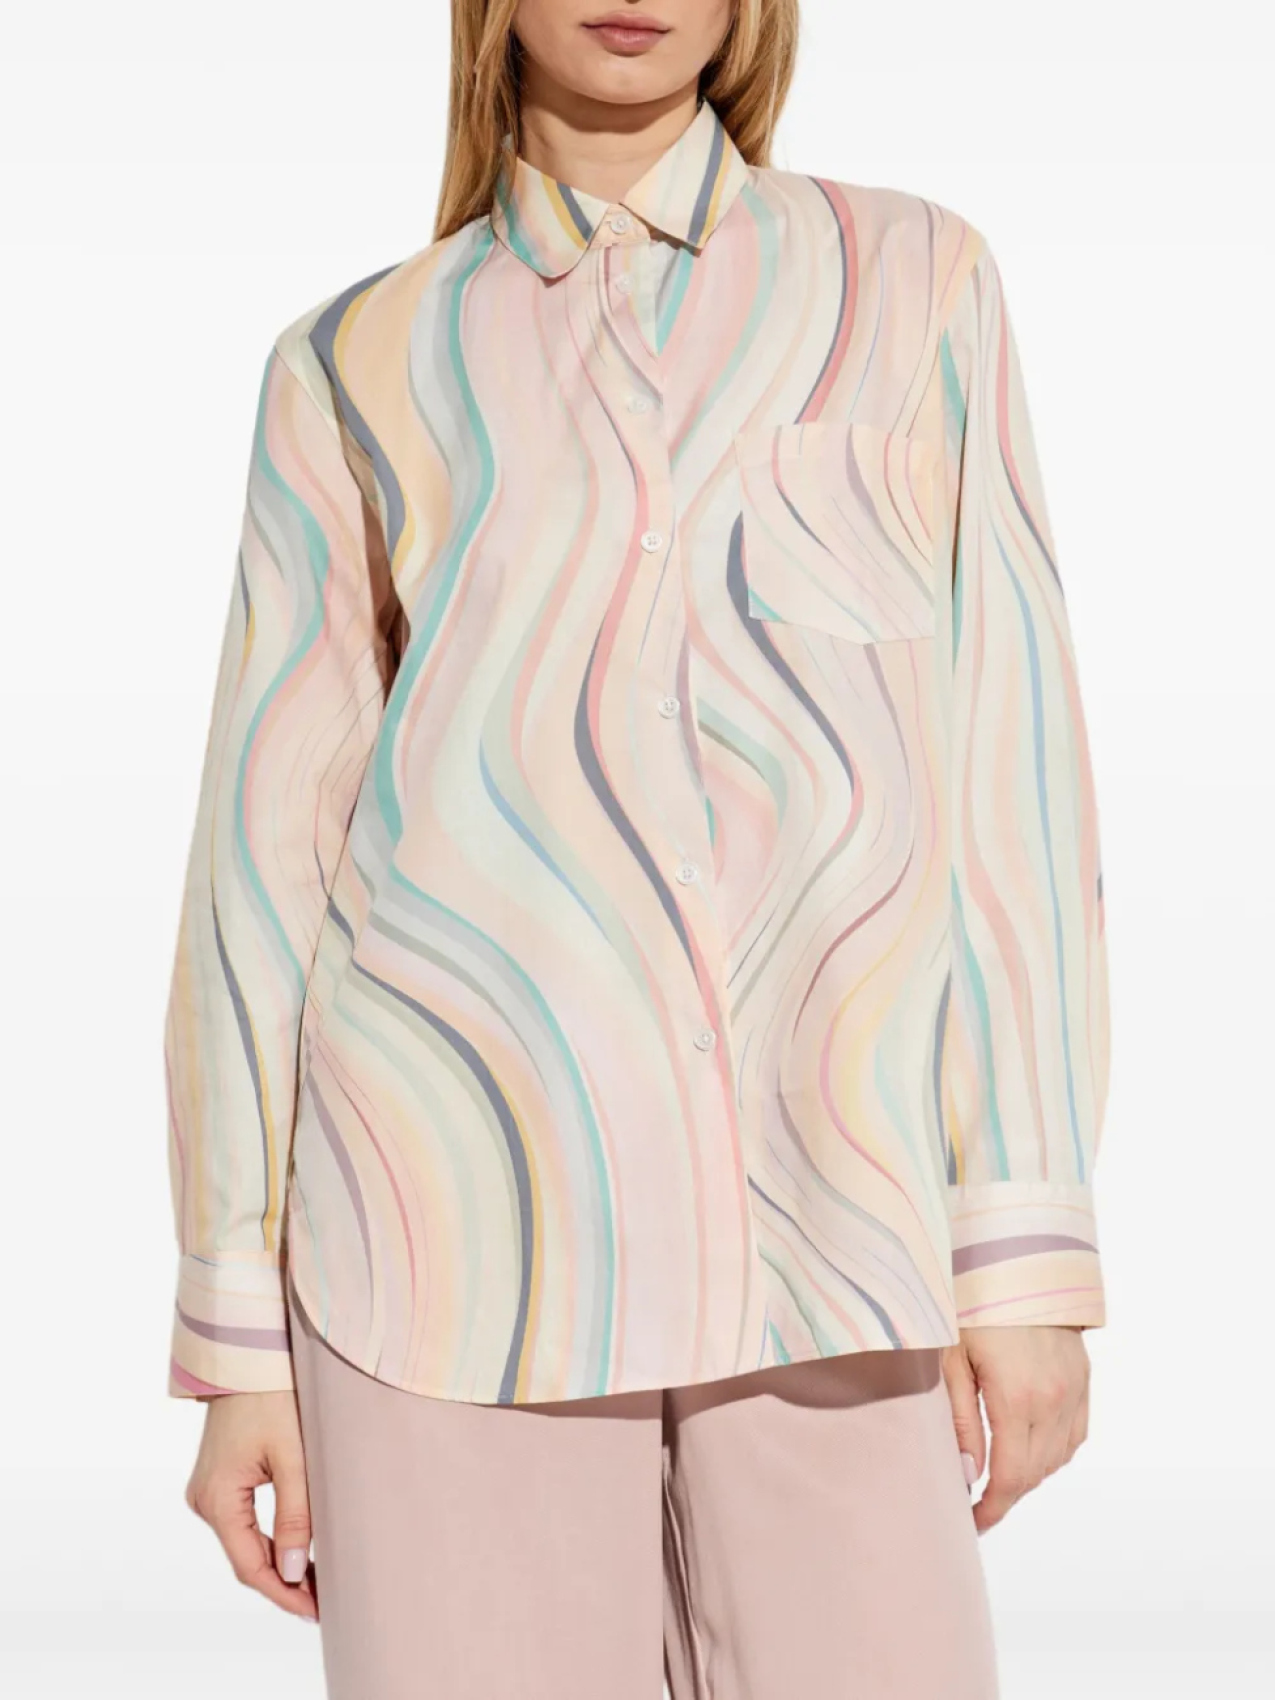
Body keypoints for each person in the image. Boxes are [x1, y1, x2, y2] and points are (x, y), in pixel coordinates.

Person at [163, 2, 1112, 1695]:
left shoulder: (915, 284)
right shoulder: (354, 359)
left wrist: (1024, 1251)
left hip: (840, 1229)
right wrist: (240, 1340)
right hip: (446, 1242)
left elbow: (1009, 778)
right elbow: (265, 861)